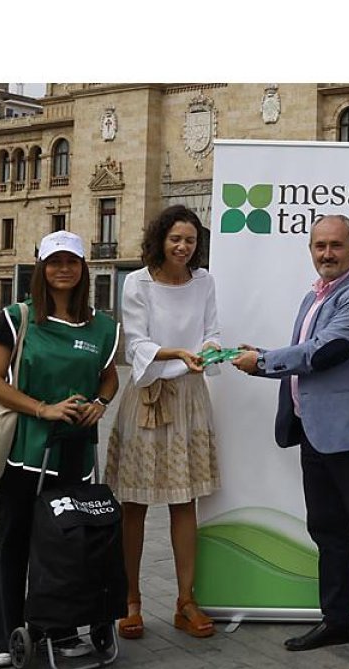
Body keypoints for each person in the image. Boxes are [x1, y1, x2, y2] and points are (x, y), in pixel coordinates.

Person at [231, 215, 349, 668]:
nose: (327, 253)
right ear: (311, 249)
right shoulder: (316, 294)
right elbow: (308, 351)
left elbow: (328, 352)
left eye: (335, 245)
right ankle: (336, 621)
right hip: (316, 432)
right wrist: (261, 355)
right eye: (319, 246)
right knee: (327, 533)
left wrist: (264, 361)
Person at [0, 231, 120, 668]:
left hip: (75, 454)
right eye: (55, 261)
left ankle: (60, 629)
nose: (64, 269)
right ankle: (2, 637)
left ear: (83, 268)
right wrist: (43, 408)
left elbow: (108, 375)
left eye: (72, 262)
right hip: (26, 451)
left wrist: (100, 402)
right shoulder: (18, 318)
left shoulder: (101, 325)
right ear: (41, 266)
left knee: (67, 545)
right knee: (16, 540)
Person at [105, 205, 222, 642]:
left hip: (190, 395)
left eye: (190, 240)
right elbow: (137, 341)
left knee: (183, 500)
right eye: (176, 239)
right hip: (149, 395)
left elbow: (212, 330)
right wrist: (176, 354)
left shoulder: (205, 280)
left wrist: (210, 350)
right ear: (161, 239)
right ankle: (130, 600)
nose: (183, 247)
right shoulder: (137, 282)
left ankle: (184, 601)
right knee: (133, 503)